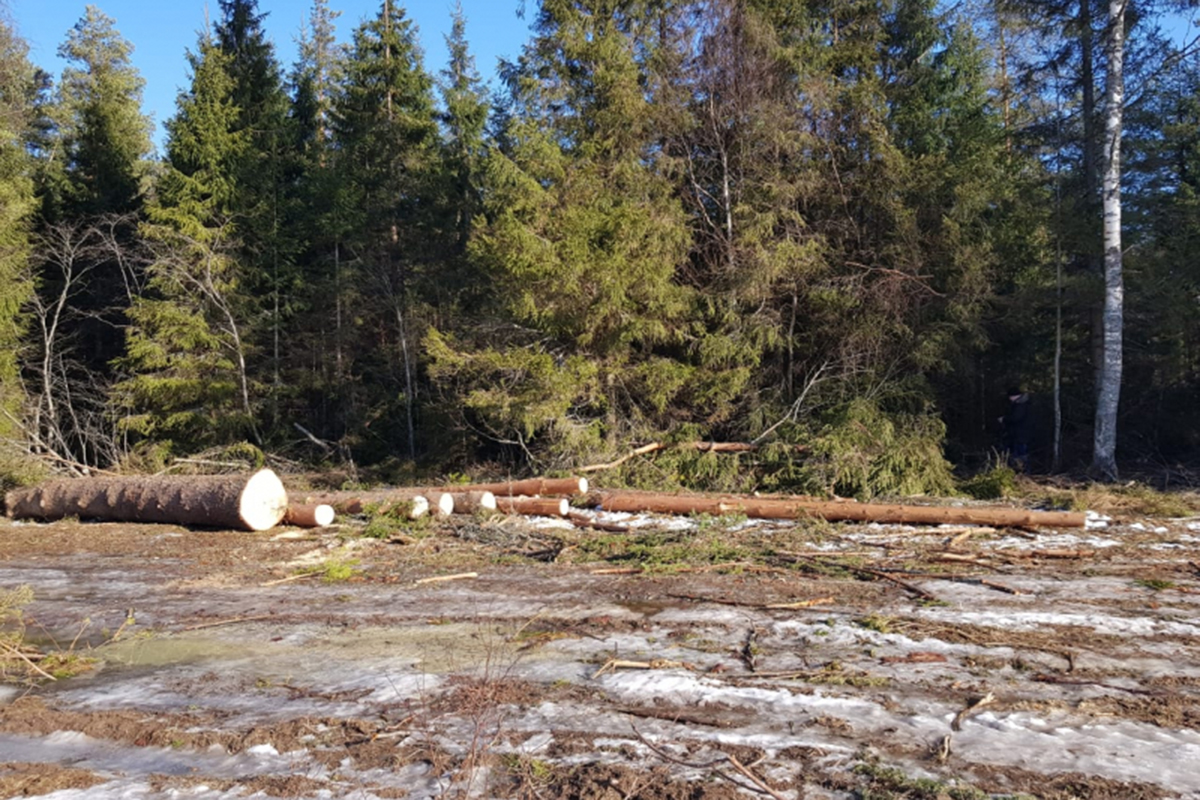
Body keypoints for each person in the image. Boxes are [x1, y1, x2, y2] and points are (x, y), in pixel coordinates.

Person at [999, 386, 1032, 472]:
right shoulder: (1022, 404)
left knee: (1021, 454)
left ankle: (1023, 472)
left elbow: (1015, 418)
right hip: (1020, 434)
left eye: (1010, 397)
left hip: (1021, 435)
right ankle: (1022, 471)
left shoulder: (1020, 406)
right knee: (1019, 454)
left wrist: (1004, 419)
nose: (1009, 399)